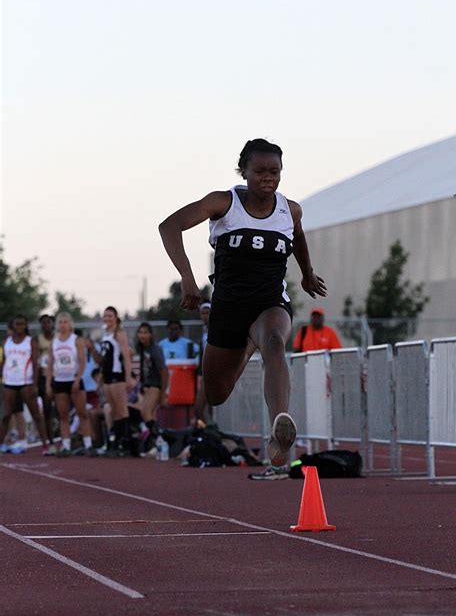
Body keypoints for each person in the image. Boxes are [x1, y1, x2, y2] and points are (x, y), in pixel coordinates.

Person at [159, 138, 327, 467]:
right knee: (218, 392)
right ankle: (248, 345)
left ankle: (280, 426)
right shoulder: (224, 203)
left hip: (269, 301)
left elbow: (298, 235)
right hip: (228, 306)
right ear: (244, 172)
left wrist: (307, 273)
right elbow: (169, 226)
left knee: (276, 342)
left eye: (275, 172)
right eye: (260, 171)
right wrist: (187, 276)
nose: (268, 178)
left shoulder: (289, 209)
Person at [46, 312, 94, 457]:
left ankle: (88, 445)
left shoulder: (76, 340)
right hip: (60, 381)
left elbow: (82, 361)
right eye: (60, 322)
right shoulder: (54, 343)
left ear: (70, 324)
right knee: (63, 415)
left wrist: (77, 379)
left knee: (82, 413)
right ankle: (66, 445)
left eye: (65, 322)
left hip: (74, 380)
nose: (63, 325)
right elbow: (50, 365)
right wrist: (49, 384)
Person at [0, 314, 49, 453]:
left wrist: (34, 384)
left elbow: (35, 363)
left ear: (26, 326)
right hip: (10, 382)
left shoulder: (30, 341)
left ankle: (46, 445)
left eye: (22, 324)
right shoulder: (7, 342)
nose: (19, 327)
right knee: (6, 415)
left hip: (26, 382)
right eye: (17, 324)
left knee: (36, 415)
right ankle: (1, 444)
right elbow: (4, 362)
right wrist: (2, 379)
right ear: (13, 326)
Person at [89, 306, 133, 455]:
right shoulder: (106, 335)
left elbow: (126, 357)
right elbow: (104, 359)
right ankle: (116, 442)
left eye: (110, 316)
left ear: (115, 317)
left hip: (117, 376)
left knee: (121, 411)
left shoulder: (119, 334)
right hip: (107, 377)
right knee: (113, 411)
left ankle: (125, 443)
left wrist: (128, 378)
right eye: (105, 316)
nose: (107, 319)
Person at [136, 322, 168, 423]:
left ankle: (156, 437)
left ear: (150, 335)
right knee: (147, 413)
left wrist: (163, 394)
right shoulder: (142, 348)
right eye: (140, 332)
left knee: (146, 412)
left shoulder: (155, 349)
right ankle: (154, 436)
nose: (142, 335)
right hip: (147, 386)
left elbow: (164, 371)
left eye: (145, 332)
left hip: (155, 385)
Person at [37, 314, 57, 454]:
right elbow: (36, 360)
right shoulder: (38, 340)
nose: (46, 325)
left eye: (48, 322)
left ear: (53, 324)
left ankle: (69, 439)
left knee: (63, 410)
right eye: (44, 323)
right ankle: (50, 442)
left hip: (60, 376)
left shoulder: (58, 338)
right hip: (44, 377)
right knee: (47, 410)